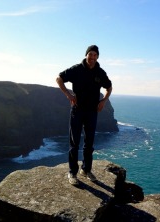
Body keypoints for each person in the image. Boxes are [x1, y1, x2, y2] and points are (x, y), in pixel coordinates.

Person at [56, 45, 112, 185]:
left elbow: (109, 87)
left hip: (92, 111)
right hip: (77, 110)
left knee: (89, 143)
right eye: (90, 54)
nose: (92, 57)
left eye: (95, 55)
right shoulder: (77, 69)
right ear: (86, 55)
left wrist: (103, 101)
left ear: (97, 57)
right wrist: (68, 94)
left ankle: (86, 170)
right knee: (74, 142)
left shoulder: (100, 72)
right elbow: (59, 78)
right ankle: (72, 173)